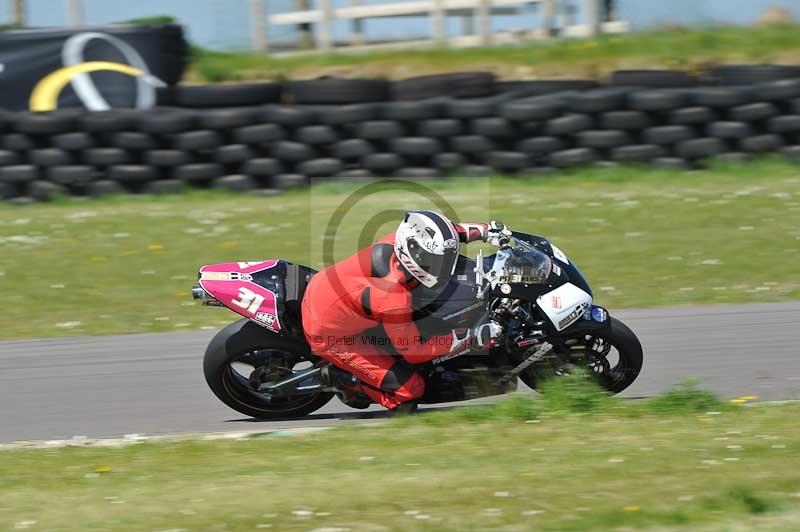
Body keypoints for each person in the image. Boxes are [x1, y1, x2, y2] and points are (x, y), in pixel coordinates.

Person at [302, 210, 511, 413]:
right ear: (414, 254)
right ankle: (344, 378)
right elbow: (414, 352)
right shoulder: (393, 296)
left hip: (331, 292)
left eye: (446, 258)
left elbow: (455, 233)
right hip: (329, 334)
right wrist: (473, 337)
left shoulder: (404, 239)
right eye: (437, 261)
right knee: (410, 392)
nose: (445, 266)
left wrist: (487, 231)